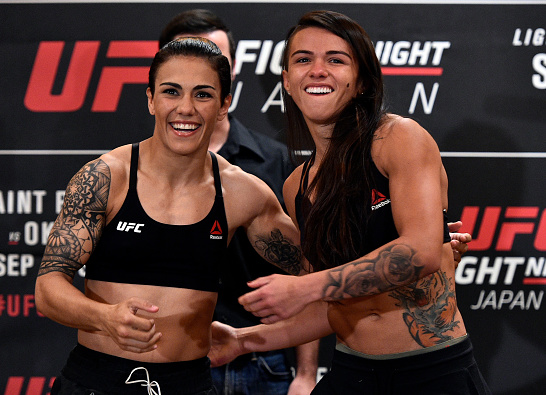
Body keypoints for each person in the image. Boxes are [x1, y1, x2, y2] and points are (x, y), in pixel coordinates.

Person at [208, 10, 490, 395]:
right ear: (288, 83)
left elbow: (422, 250)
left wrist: (306, 288)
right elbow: (331, 309)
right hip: (351, 372)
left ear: (360, 81)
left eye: (336, 60)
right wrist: (243, 340)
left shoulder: (399, 138)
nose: (318, 70)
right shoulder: (297, 186)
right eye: (303, 59)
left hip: (432, 372)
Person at [35, 37, 307, 395]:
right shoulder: (106, 177)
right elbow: (47, 288)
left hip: (188, 384)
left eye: (203, 94)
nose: (186, 108)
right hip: (95, 382)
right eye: (171, 92)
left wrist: (248, 338)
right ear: (150, 99)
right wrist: (105, 317)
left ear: (224, 104)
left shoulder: (244, 194)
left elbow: (317, 274)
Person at [159, 9, 319, 395]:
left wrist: (306, 374)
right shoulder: (133, 170)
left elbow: (306, 267)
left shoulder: (275, 160)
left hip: (264, 358)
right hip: (170, 359)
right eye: (189, 56)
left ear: (232, 69)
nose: (203, 68)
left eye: (216, 56)